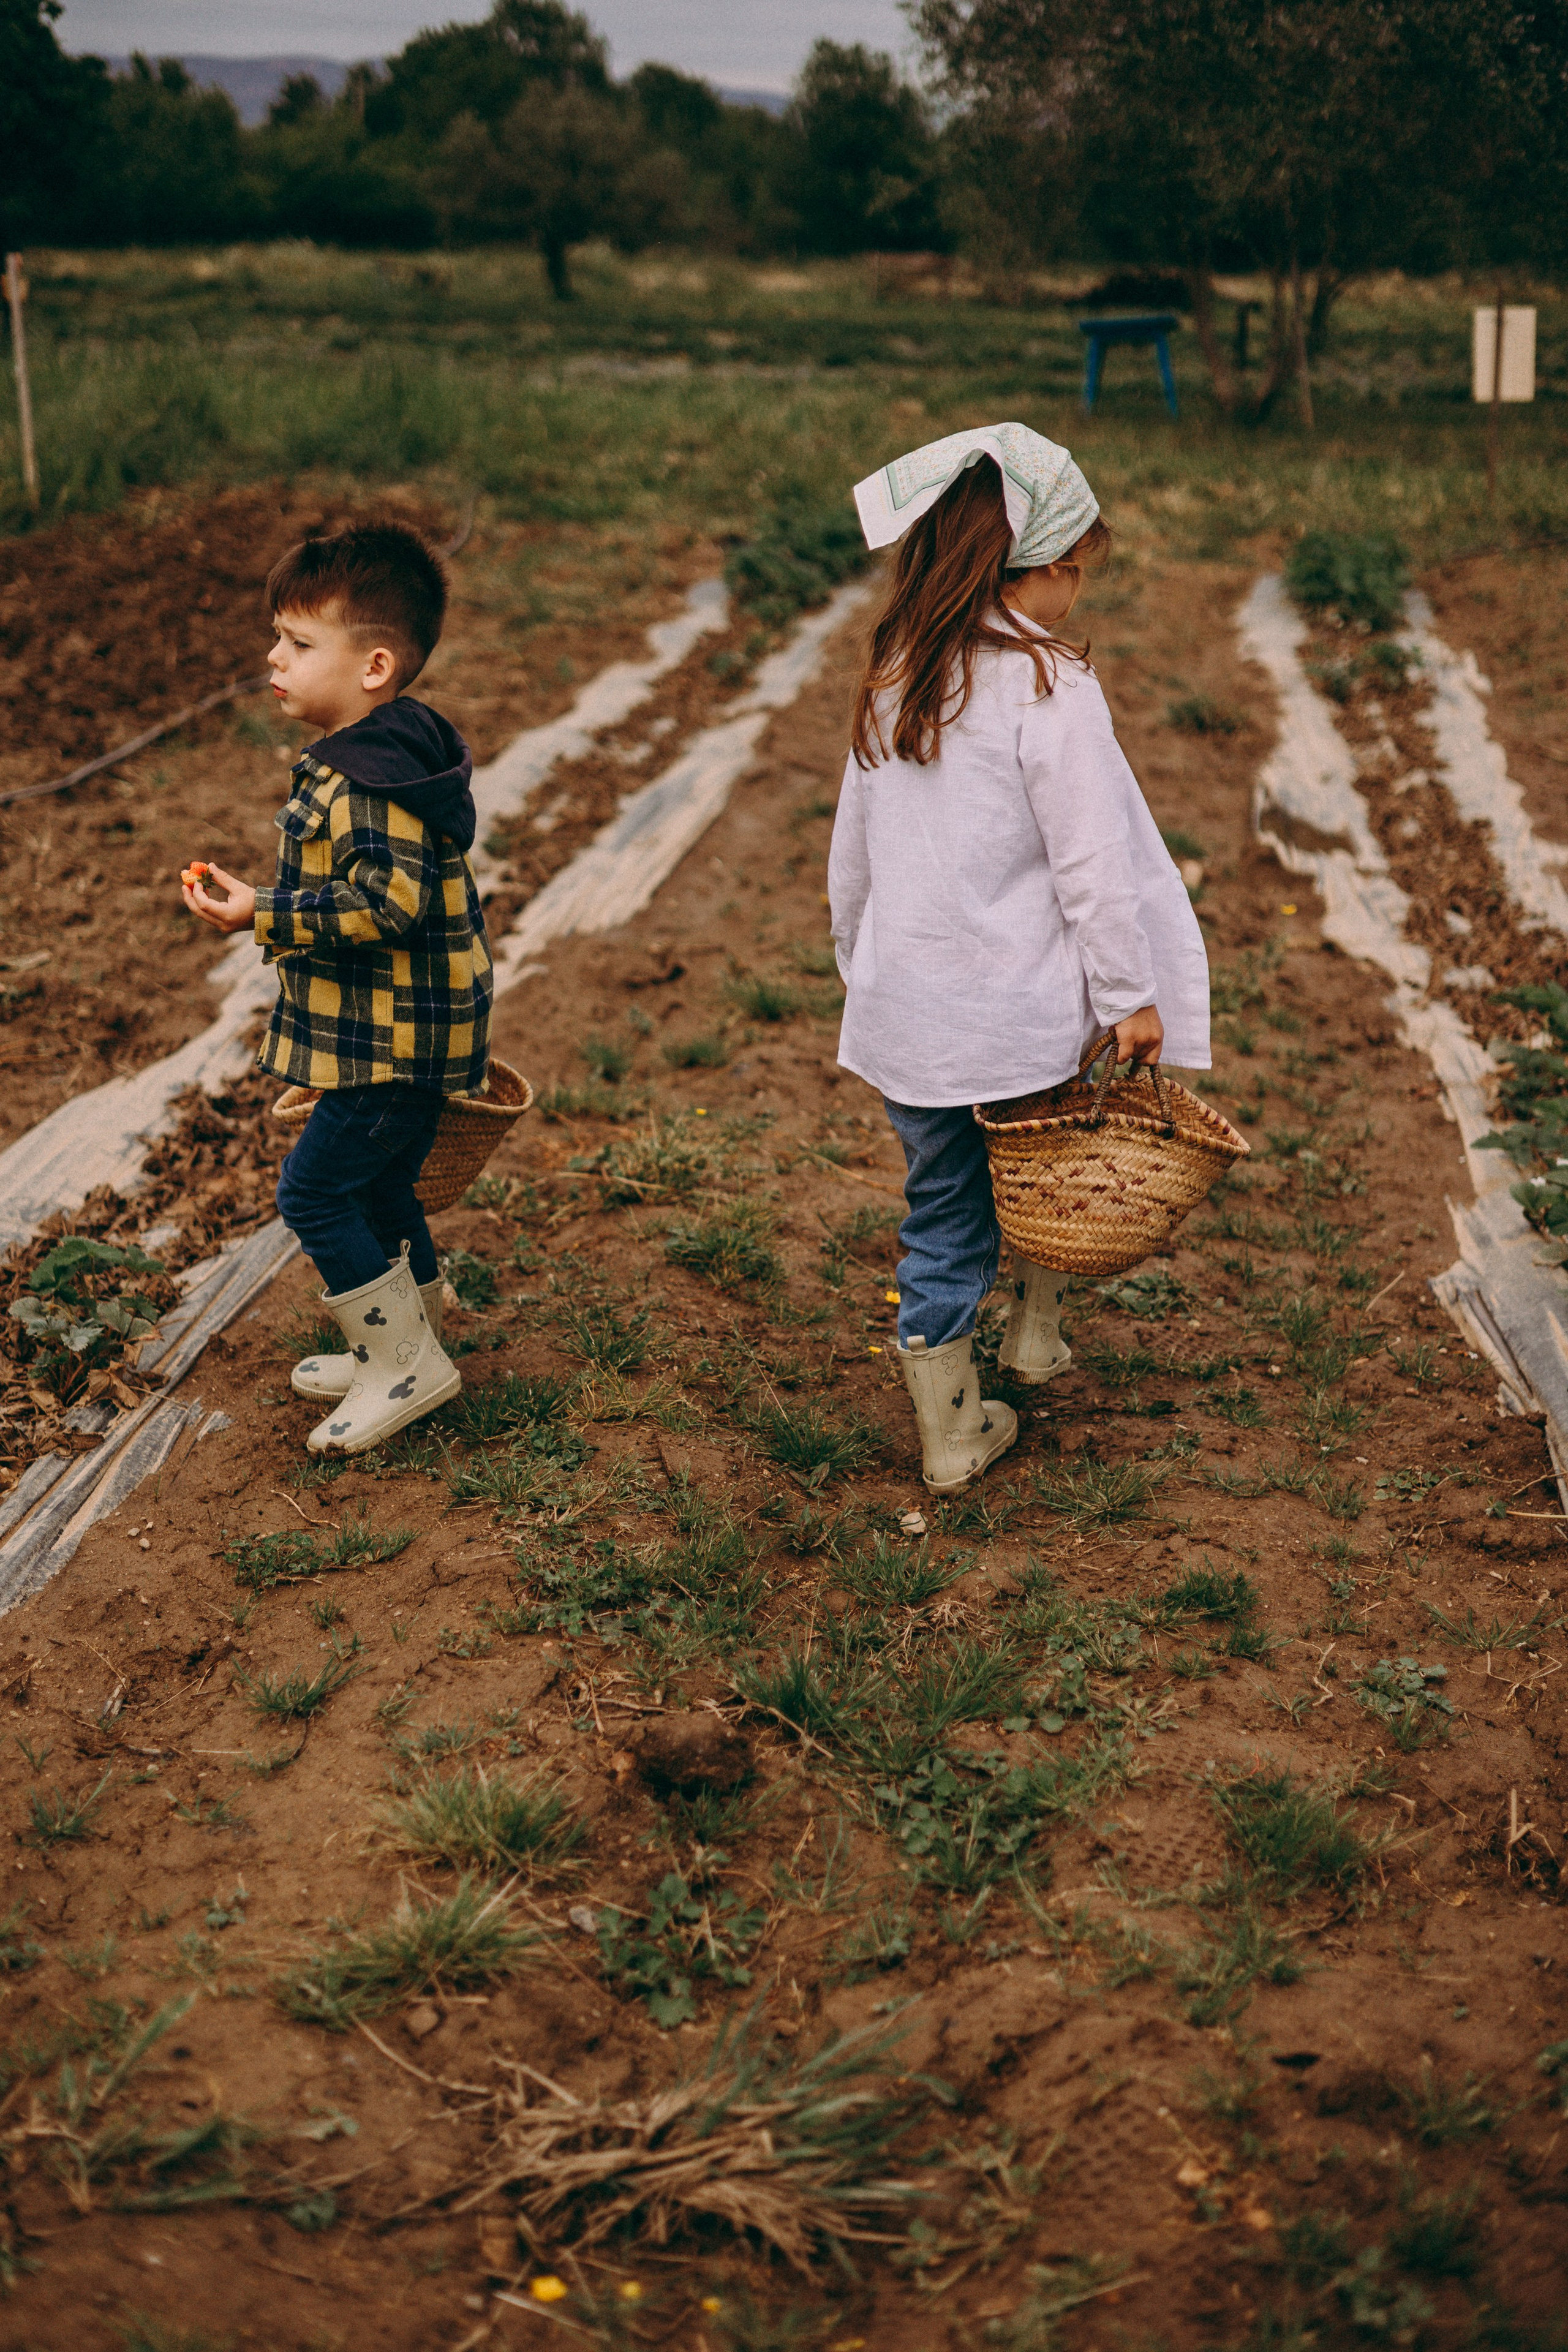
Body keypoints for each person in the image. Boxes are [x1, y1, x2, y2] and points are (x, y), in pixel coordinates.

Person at [829, 423, 1210, 1493]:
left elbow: (850, 854)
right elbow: (1094, 865)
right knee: (1049, 1172)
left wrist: (859, 960)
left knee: (942, 1208)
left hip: (912, 1017)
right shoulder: (1048, 688)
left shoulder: (898, 675)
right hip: (1018, 1017)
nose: (1074, 596)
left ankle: (955, 1419)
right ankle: (1024, 1346)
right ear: (1035, 567)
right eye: (1075, 574)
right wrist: (1132, 997)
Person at [181, 520, 493, 1457]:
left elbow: (386, 902)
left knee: (313, 1194)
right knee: (387, 1185)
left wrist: (263, 912)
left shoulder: (364, 782)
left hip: (391, 1044)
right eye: (277, 636)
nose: (272, 658)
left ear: (374, 666)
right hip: (413, 1031)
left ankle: (402, 1364)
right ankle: (414, 1332)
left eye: (298, 643)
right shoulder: (393, 753)